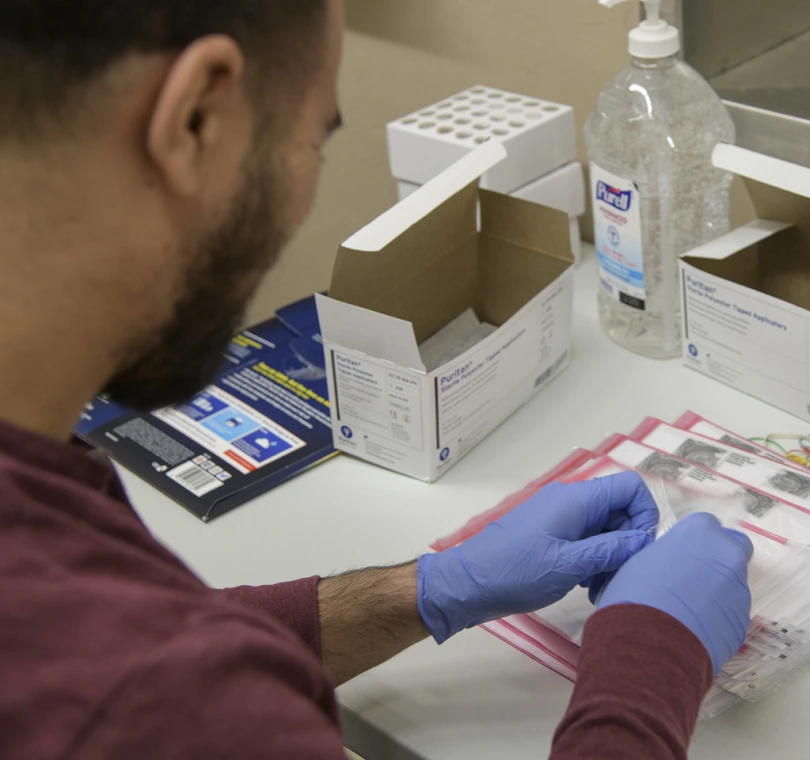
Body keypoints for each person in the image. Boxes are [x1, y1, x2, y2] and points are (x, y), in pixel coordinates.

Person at [0, 2, 754, 759]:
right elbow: (169, 686)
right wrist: (650, 661)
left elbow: (152, 637)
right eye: (313, 142)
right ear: (199, 116)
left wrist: (423, 590)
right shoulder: (159, 703)